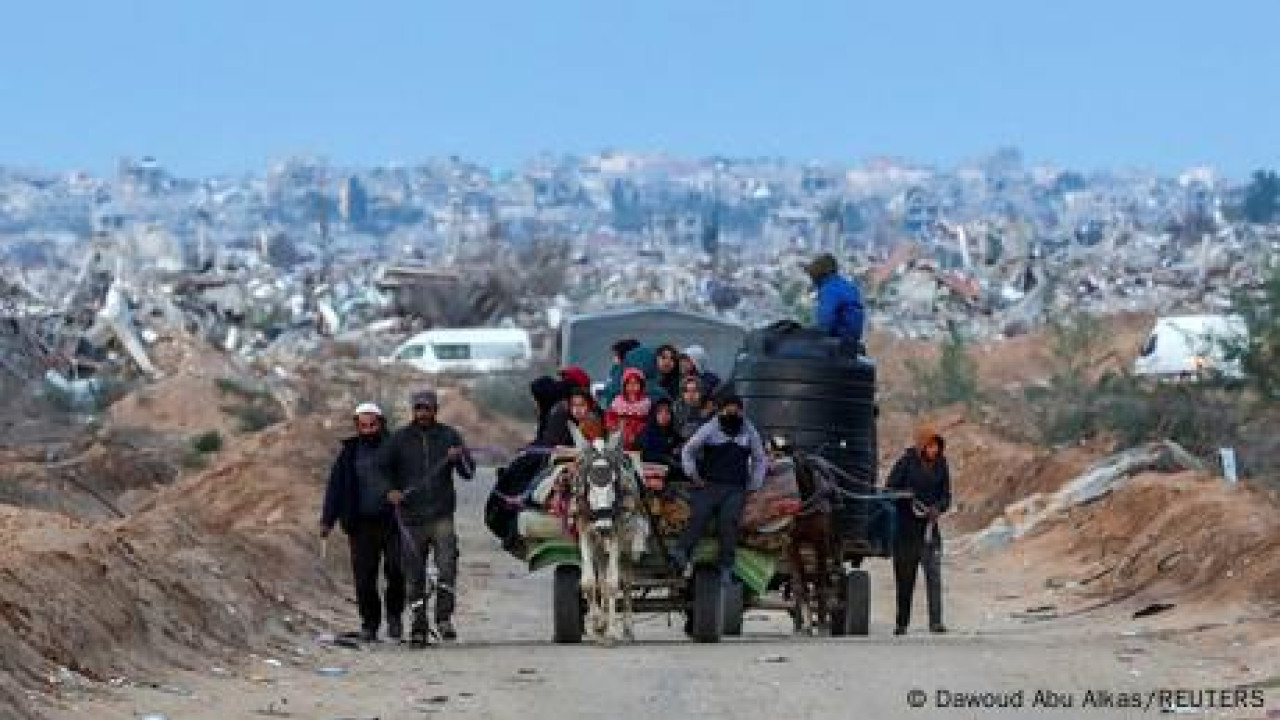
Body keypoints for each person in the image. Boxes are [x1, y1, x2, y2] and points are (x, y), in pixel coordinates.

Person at [379, 390, 476, 645]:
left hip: (441, 515)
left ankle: (444, 619)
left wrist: (460, 457)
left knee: (447, 567)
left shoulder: (449, 435)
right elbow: (381, 471)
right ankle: (419, 625)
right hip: (411, 518)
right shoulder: (398, 439)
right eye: (418, 408)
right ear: (413, 410)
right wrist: (390, 491)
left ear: (435, 409)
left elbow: (468, 473)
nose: (423, 413)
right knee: (414, 574)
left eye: (427, 408)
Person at [320, 403, 405, 643]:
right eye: (363, 425)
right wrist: (327, 520)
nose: (368, 430)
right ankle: (370, 624)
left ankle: (395, 616)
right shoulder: (349, 453)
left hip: (393, 522)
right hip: (360, 525)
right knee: (364, 578)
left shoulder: (395, 448)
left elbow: (411, 477)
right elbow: (335, 488)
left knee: (396, 571)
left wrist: (401, 494)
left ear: (381, 424)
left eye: (372, 425)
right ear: (357, 426)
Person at [668, 394, 767, 582]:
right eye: (727, 408)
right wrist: (693, 475)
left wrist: (755, 484)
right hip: (709, 484)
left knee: (728, 521)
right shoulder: (711, 427)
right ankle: (680, 553)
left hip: (736, 487)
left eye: (736, 409)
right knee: (700, 514)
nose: (732, 412)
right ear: (720, 410)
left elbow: (759, 458)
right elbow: (688, 450)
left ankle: (726, 566)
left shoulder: (748, 429)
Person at [887, 423, 952, 636]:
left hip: (930, 529)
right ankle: (901, 623)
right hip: (906, 530)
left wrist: (938, 508)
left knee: (934, 575)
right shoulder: (905, 463)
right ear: (922, 446)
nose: (935, 450)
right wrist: (906, 496)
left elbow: (946, 496)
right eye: (931, 446)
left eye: (937, 447)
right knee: (905, 578)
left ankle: (936, 622)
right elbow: (890, 489)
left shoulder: (942, 465)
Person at [802, 253, 865, 342]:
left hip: (839, 340)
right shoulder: (847, 285)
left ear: (821, 273)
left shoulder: (830, 289)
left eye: (813, 272)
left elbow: (825, 322)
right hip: (851, 339)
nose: (811, 277)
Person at [604, 367, 652, 451]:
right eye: (629, 383)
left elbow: (647, 421)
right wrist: (612, 425)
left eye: (636, 383)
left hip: (636, 436)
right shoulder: (617, 401)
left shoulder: (645, 403)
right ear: (624, 386)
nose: (632, 387)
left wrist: (638, 429)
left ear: (641, 385)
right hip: (618, 433)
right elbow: (610, 415)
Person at [640, 397, 684, 478]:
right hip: (649, 468)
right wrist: (666, 458)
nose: (664, 416)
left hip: (668, 467)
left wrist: (679, 448)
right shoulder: (647, 432)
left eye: (667, 412)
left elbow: (680, 443)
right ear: (654, 414)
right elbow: (645, 454)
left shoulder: (672, 432)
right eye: (659, 412)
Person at [672, 375, 713, 441]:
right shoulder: (677, 407)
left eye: (694, 391)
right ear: (682, 393)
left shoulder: (709, 407)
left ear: (700, 392)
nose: (691, 394)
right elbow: (684, 433)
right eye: (687, 391)